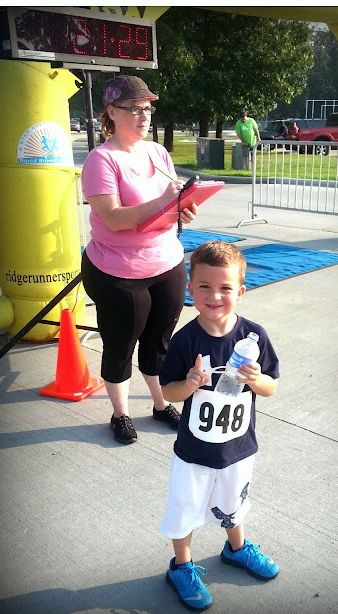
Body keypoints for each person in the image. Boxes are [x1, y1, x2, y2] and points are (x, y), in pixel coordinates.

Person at [158, 240, 280, 611]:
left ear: (240, 291)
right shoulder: (184, 340)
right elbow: (167, 391)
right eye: (205, 287)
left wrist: (256, 379)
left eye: (225, 287)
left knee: (233, 504)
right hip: (194, 452)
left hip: (237, 449)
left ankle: (236, 549)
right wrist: (189, 384)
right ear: (190, 289)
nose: (215, 296)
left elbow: (271, 387)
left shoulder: (254, 337)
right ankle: (181, 567)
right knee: (185, 508)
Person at [81, 75, 198, 445]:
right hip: (118, 270)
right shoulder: (101, 160)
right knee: (120, 345)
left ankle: (161, 404)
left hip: (166, 261)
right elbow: (114, 219)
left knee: (159, 340)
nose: (143, 115)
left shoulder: (157, 153)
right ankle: (120, 414)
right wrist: (164, 202)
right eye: (133, 108)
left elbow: (170, 202)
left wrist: (182, 207)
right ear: (112, 112)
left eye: (147, 108)